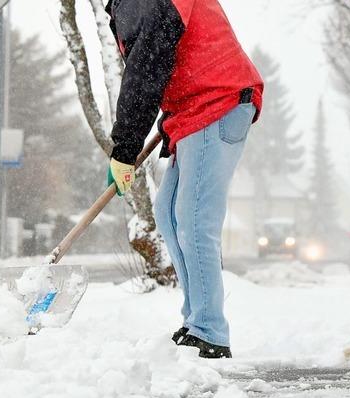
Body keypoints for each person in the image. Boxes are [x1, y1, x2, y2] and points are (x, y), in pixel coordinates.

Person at [105, 0, 264, 358]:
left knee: (195, 220)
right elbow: (160, 64)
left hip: (217, 100)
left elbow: (146, 67)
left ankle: (209, 331)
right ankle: (196, 320)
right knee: (168, 213)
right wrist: (164, 119)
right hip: (194, 108)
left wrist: (125, 148)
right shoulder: (126, 4)